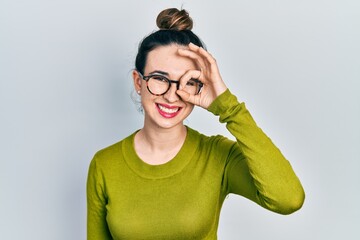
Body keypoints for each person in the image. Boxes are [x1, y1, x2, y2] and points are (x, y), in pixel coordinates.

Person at [86, 7, 305, 240]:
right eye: (160, 79)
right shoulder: (104, 165)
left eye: (187, 82)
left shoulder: (218, 155)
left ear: (201, 85)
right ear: (138, 82)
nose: (172, 96)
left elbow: (288, 199)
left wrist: (227, 107)